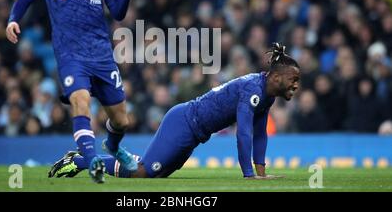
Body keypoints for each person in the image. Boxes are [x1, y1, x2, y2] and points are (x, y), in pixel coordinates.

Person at [6, 0, 138, 183]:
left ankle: (111, 147)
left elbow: (119, 12)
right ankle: (92, 164)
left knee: (122, 121)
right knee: (80, 100)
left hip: (102, 55)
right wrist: (12, 20)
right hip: (71, 55)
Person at [49, 43, 300, 180]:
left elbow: (259, 134)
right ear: (276, 77)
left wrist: (262, 173)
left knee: (154, 173)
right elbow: (243, 133)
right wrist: (249, 176)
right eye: (293, 79)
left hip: (193, 131)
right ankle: (79, 161)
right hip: (184, 123)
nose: (296, 85)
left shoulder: (265, 94)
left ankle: (95, 159)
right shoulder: (252, 90)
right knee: (144, 172)